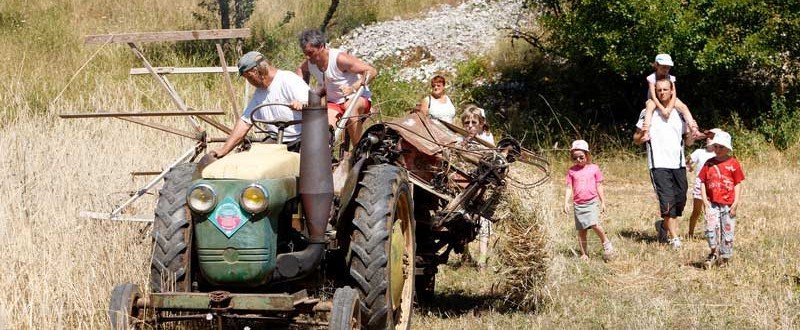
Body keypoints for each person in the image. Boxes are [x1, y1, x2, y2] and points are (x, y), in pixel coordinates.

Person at [633, 78, 696, 249]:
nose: (662, 93)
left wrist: (693, 134)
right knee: (667, 202)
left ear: (671, 91)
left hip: (678, 164)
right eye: (659, 90)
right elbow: (636, 138)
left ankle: (662, 226)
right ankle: (675, 239)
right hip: (658, 165)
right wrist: (641, 137)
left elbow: (688, 141)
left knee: (680, 200)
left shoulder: (679, 113)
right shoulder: (647, 112)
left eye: (665, 90)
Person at [211, 51, 309, 158]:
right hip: (275, 140)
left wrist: (302, 104)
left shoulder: (288, 80)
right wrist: (223, 150)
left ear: (255, 72)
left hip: (300, 139)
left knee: (305, 162)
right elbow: (245, 122)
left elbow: (313, 104)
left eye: (248, 77)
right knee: (254, 160)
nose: (249, 81)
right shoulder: (260, 92)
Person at [296, 29, 378, 147]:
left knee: (349, 108)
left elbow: (371, 71)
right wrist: (302, 93)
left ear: (321, 47)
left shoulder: (339, 59)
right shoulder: (310, 63)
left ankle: (359, 151)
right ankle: (327, 154)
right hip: (334, 103)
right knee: (325, 127)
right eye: (305, 53)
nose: (308, 57)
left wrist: (353, 88)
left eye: (310, 53)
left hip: (356, 98)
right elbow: (300, 70)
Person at [699, 130, 744, 268]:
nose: (717, 150)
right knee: (710, 228)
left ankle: (724, 258)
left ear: (727, 148)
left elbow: (737, 183)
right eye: (716, 146)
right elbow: (702, 181)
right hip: (712, 203)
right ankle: (713, 252)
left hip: (728, 204)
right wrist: (704, 200)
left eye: (721, 147)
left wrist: (736, 202)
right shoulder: (709, 163)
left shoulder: (733, 163)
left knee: (727, 231)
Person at [563, 140, 613, 261]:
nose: (578, 160)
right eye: (575, 158)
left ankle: (606, 243)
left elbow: (599, 185)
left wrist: (603, 201)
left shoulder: (594, 168)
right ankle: (584, 254)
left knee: (594, 224)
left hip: (591, 202)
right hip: (578, 204)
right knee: (581, 230)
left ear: (587, 155)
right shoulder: (571, 171)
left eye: (581, 157)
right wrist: (566, 202)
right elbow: (569, 187)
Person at [460, 105, 495, 269]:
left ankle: (482, 259)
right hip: (465, 183)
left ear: (481, 123)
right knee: (462, 218)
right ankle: (465, 254)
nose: (470, 126)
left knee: (484, 219)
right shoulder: (461, 138)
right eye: (466, 123)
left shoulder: (487, 138)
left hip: (483, 183)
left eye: (474, 122)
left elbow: (493, 156)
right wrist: (466, 140)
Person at [640, 54, 703, 141]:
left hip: (668, 99)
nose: (666, 70)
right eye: (663, 67)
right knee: (649, 107)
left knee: (683, 107)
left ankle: (694, 129)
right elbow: (653, 96)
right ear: (657, 65)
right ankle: (646, 132)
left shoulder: (670, 78)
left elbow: (674, 95)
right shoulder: (652, 78)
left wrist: (669, 109)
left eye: (668, 67)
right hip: (654, 100)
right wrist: (662, 109)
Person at [686, 129, 722, 237]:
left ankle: (712, 233)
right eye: (708, 137)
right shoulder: (699, 152)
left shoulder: (718, 154)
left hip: (713, 184)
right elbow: (687, 162)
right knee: (696, 211)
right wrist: (689, 167)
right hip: (700, 183)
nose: (709, 139)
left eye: (712, 137)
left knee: (710, 211)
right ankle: (690, 234)